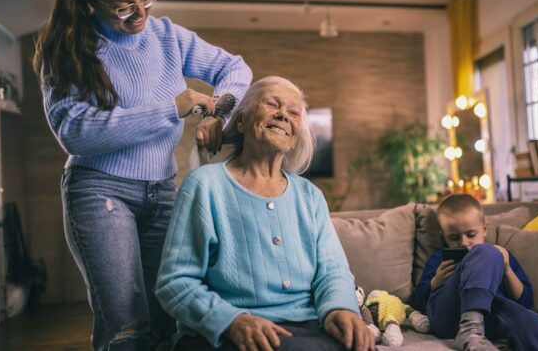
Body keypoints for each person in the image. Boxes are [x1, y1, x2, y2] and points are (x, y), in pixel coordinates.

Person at [33, 0, 252, 349]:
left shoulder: (168, 36)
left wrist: (218, 113)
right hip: (99, 193)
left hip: (163, 191)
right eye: (122, 5)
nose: (139, 13)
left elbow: (236, 68)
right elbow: (75, 132)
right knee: (127, 327)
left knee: (171, 312)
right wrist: (171, 109)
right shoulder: (69, 47)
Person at [156, 76, 374, 351]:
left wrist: (340, 309)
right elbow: (174, 282)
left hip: (307, 328)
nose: (283, 115)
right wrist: (232, 321)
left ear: (296, 136)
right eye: (272, 104)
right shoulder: (204, 185)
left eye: (294, 113)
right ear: (241, 122)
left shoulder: (310, 196)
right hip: (225, 334)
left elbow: (333, 271)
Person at [409, 194, 538, 351]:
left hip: (489, 316)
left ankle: (473, 330)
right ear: (443, 236)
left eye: (471, 234)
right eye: (454, 237)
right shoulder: (439, 259)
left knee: (531, 321)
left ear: (484, 229)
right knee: (485, 252)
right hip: (447, 316)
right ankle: (470, 328)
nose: (464, 242)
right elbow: (416, 303)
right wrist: (435, 282)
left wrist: (507, 270)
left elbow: (526, 302)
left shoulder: (501, 256)